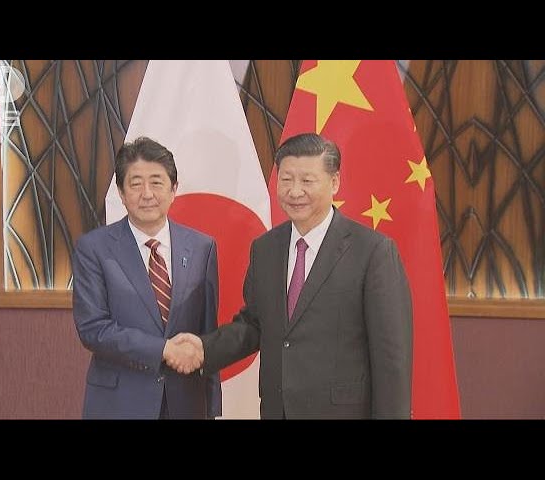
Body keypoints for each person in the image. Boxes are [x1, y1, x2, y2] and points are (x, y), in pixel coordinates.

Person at [173, 132, 412, 419]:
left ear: (334, 182)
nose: (295, 191)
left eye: (307, 181)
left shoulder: (372, 251)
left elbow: (391, 357)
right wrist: (204, 349)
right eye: (286, 179)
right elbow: (255, 324)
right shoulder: (266, 248)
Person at [72, 136, 221, 419]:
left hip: (186, 403)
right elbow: (93, 328)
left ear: (174, 189)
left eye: (156, 182)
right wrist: (163, 349)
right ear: (121, 192)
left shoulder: (202, 247)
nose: (147, 194)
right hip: (119, 403)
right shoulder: (94, 248)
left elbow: (207, 334)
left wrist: (211, 406)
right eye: (136, 183)